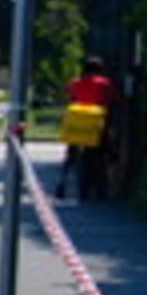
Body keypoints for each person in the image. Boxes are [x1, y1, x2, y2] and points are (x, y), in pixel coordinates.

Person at [55, 56, 117, 201]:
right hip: (95, 123)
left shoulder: (75, 82)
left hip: (77, 123)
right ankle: (100, 188)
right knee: (101, 154)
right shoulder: (104, 83)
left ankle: (62, 184)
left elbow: (70, 96)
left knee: (70, 155)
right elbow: (111, 100)